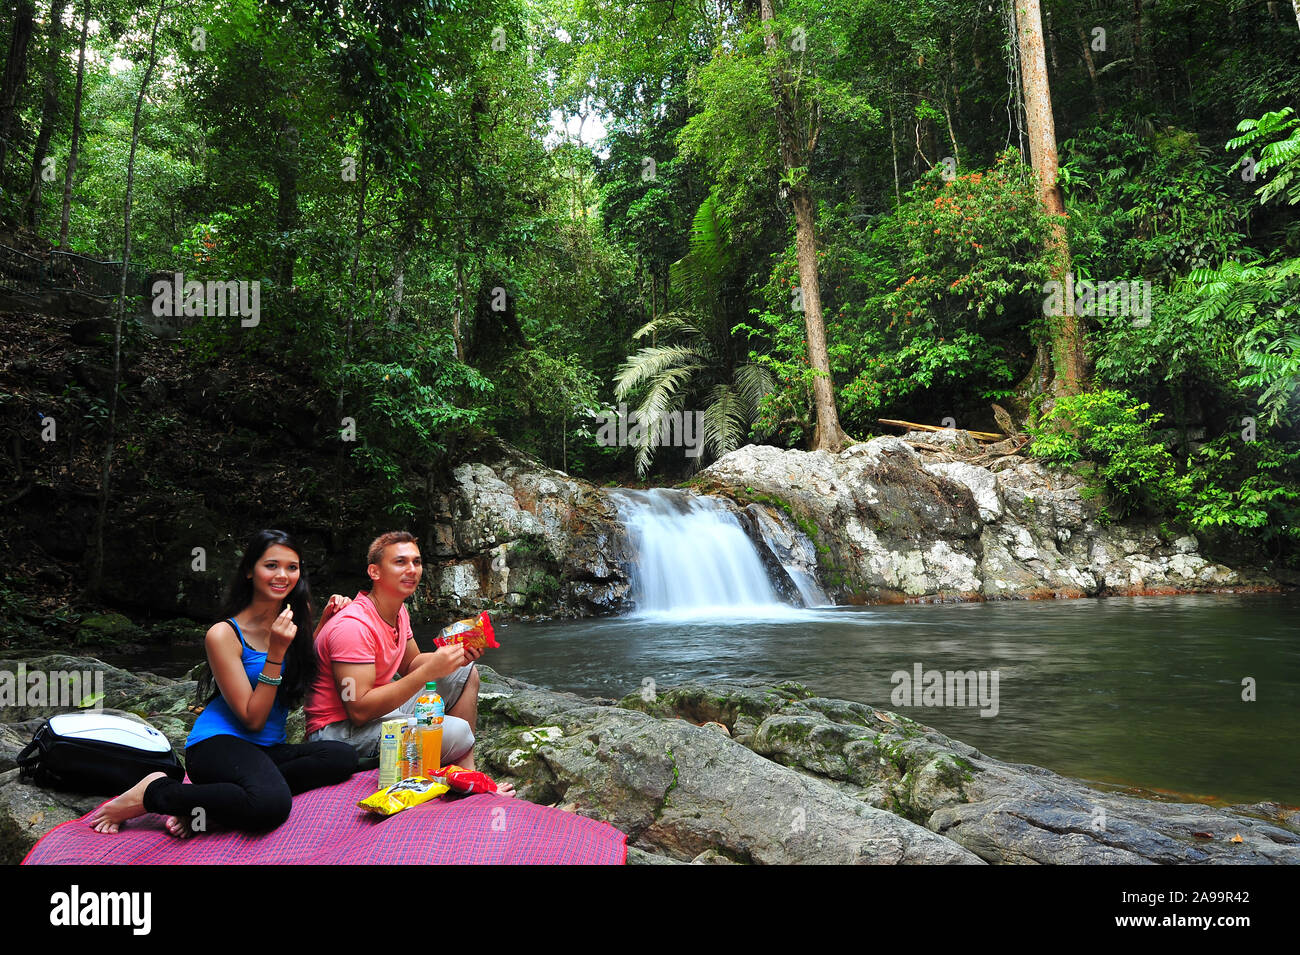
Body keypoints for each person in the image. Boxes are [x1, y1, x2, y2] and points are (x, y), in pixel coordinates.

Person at [88, 530, 358, 837]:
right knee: (270, 805)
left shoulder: (295, 615)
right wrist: (275, 652)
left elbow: (300, 667)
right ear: (248, 570)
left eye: (292, 567)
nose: (283, 575)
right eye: (271, 565)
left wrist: (325, 621)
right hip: (218, 745)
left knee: (341, 757)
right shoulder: (223, 634)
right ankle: (154, 792)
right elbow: (253, 719)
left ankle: (211, 805)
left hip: (267, 749)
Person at [305, 531, 512, 793]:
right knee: (457, 732)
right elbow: (359, 710)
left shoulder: (397, 611)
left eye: (416, 562)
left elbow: (412, 662)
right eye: (400, 562)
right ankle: (459, 782)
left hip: (375, 712)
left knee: (465, 672)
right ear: (374, 572)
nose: (412, 570)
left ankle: (464, 778)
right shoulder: (352, 627)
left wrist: (455, 656)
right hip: (336, 730)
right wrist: (429, 671)